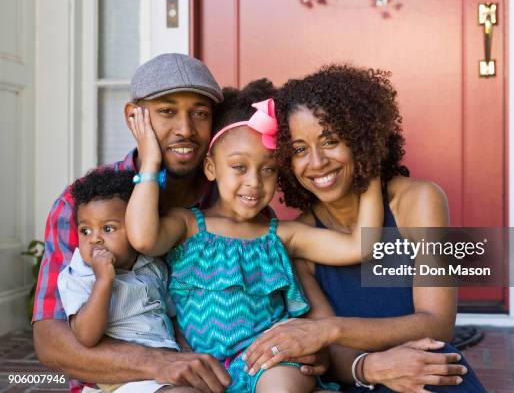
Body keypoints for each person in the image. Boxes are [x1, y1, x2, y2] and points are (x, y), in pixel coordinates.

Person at [124, 79, 383, 392]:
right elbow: (142, 238)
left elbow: (359, 246)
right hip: (201, 367)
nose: (254, 182)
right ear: (210, 167)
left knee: (282, 386)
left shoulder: (282, 235)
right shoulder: (187, 224)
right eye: (238, 167)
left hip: (269, 361)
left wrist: (368, 166)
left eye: (268, 169)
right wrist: (150, 161)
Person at [243, 64, 488, 392]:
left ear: (360, 139)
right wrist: (371, 367)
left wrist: (329, 330)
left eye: (330, 140)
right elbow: (331, 357)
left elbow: (437, 323)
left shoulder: (418, 201)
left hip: (427, 372)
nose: (316, 162)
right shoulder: (300, 240)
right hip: (362, 381)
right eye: (300, 149)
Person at [32, 53, 234, 393]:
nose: (185, 129)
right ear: (134, 117)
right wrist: (160, 362)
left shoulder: (232, 202)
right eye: (167, 111)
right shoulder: (85, 207)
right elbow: (51, 340)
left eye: (200, 114)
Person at [58, 169, 181, 392]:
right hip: (123, 376)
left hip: (167, 367)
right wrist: (103, 282)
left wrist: (187, 351)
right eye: (85, 230)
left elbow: (172, 315)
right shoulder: (77, 276)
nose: (94, 238)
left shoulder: (153, 266)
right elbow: (86, 335)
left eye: (108, 228)